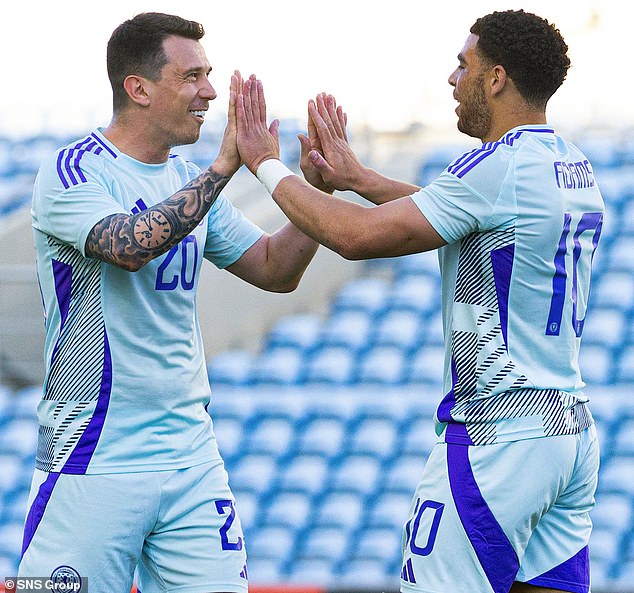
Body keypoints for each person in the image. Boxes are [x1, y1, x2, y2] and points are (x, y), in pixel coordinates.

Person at [236, 9, 603, 593]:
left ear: (497, 78)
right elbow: (465, 216)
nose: (452, 79)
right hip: (567, 432)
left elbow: (356, 239)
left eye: (464, 65)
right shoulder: (569, 164)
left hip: (497, 435)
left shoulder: (497, 164)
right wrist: (359, 177)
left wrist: (264, 163)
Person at [19, 12, 321, 593]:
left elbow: (273, 268)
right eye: (191, 77)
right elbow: (128, 245)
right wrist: (225, 168)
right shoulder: (71, 172)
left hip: (190, 456)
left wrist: (314, 190)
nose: (210, 92)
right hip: (94, 455)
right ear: (139, 88)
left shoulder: (185, 178)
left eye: (208, 76)